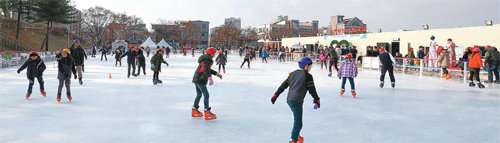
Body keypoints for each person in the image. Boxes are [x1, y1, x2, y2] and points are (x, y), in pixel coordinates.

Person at [271, 57, 320, 143]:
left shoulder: (293, 73)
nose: (310, 68)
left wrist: (275, 95)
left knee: (297, 120)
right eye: (310, 66)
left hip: (290, 100)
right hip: (296, 101)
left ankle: (297, 136)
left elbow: (284, 85)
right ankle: (293, 140)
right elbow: (312, 89)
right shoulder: (308, 76)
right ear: (306, 66)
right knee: (298, 122)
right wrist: (317, 99)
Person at [191, 47, 223, 120]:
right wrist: (210, 78)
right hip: (200, 79)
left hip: (197, 79)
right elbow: (205, 70)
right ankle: (207, 112)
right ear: (211, 54)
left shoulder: (206, 60)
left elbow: (209, 69)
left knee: (199, 94)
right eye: (214, 53)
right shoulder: (206, 61)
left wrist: (216, 74)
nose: (215, 54)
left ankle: (194, 110)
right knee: (206, 95)